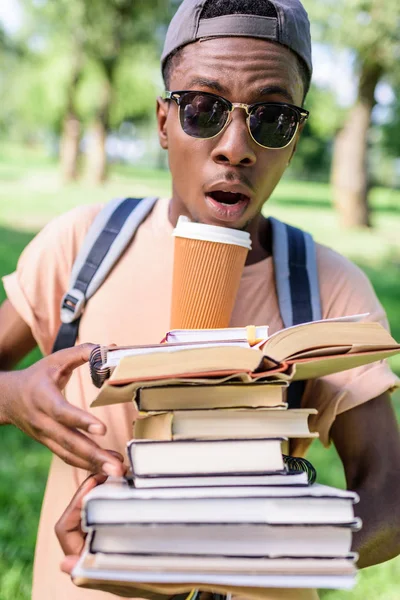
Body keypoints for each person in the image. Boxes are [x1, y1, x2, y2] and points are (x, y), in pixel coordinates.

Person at [0, 0, 399, 598]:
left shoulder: (327, 287)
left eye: (272, 117)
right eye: (204, 108)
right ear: (163, 123)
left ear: (293, 142)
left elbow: (389, 488)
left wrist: (251, 547)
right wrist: (11, 397)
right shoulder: (83, 246)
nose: (235, 146)